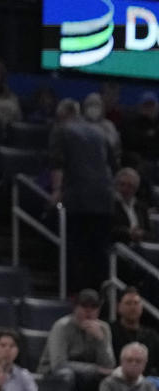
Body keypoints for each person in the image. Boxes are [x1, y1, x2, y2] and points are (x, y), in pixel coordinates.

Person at [49, 99, 114, 294]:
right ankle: (101, 296)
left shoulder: (61, 130)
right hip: (104, 198)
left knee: (76, 248)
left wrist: (56, 191)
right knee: (99, 250)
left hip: (78, 198)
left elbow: (58, 163)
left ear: (63, 115)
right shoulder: (100, 131)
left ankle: (74, 293)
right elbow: (112, 162)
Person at [38, 289, 116, 391]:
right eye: (84, 306)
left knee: (113, 378)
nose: (89, 311)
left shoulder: (104, 328)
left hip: (87, 377)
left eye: (94, 307)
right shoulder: (62, 326)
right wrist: (95, 369)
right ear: (75, 308)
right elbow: (59, 364)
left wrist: (101, 340)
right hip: (53, 376)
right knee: (67, 374)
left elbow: (108, 366)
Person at [111, 288, 159, 377]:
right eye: (128, 303)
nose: (133, 307)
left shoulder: (152, 335)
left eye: (136, 303)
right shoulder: (109, 331)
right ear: (118, 307)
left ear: (141, 307)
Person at [111, 169, 153, 245]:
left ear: (135, 188)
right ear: (116, 185)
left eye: (130, 186)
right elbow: (108, 229)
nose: (125, 189)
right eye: (122, 184)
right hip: (119, 247)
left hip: (140, 246)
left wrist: (142, 234)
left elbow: (149, 233)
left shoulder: (141, 206)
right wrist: (128, 232)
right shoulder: (111, 204)